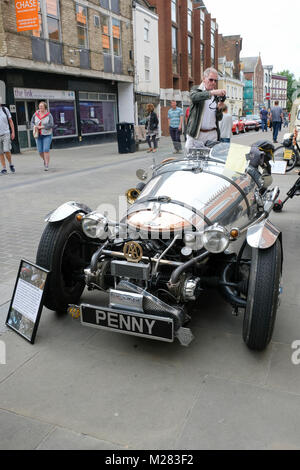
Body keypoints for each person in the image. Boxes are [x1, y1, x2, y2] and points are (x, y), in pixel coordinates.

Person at [185, 67, 226, 149]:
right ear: (204, 79)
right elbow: (193, 97)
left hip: (212, 134)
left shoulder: (217, 96)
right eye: (211, 80)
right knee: (193, 160)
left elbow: (219, 118)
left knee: (211, 161)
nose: (213, 82)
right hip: (197, 134)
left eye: (215, 80)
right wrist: (212, 92)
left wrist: (219, 109)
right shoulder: (196, 89)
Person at [31, 101, 54, 171]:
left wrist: (42, 127)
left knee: (46, 150)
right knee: (40, 151)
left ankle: (46, 164)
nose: (40, 107)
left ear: (45, 107)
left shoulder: (49, 115)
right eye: (39, 106)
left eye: (42, 106)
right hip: (38, 135)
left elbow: (51, 124)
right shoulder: (35, 114)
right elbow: (32, 122)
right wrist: (34, 126)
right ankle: (45, 159)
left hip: (47, 134)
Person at [0, 102, 16, 175]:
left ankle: (10, 163)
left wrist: (13, 132)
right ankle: (4, 168)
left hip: (6, 133)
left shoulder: (5, 109)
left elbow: (10, 121)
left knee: (6, 150)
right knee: (0, 152)